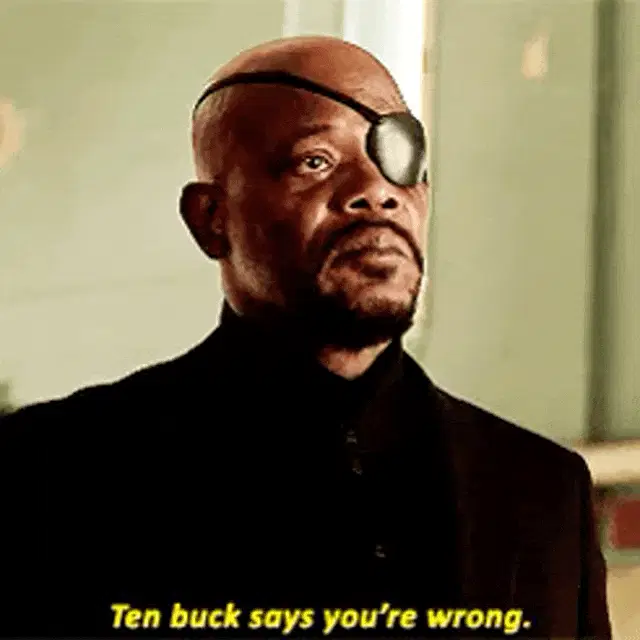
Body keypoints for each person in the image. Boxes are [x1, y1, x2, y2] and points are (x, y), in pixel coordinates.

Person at [0, 36, 610, 638]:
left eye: (398, 157)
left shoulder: (543, 492)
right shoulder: (54, 475)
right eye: (315, 162)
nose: (377, 192)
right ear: (212, 219)